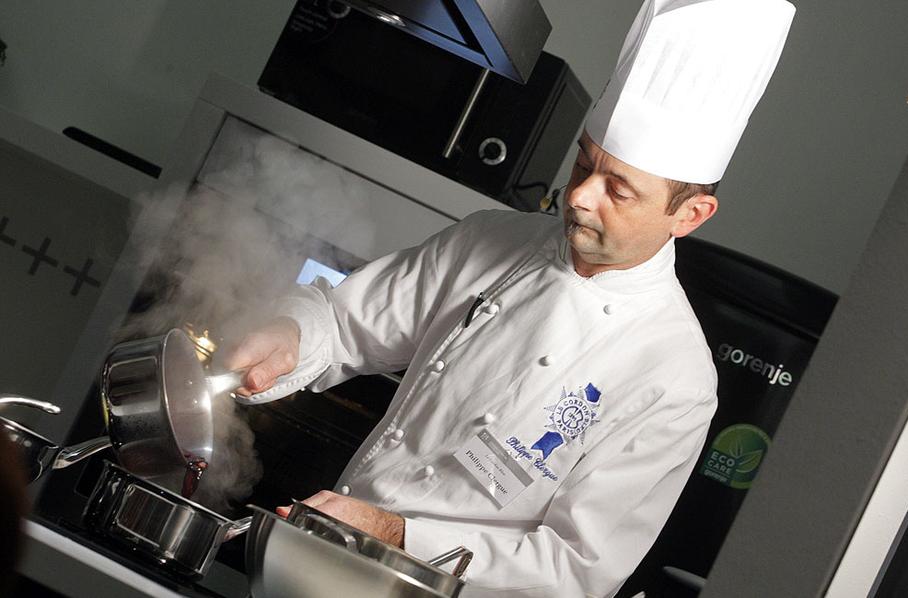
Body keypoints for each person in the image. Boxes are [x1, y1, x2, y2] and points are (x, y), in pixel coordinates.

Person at [228, 0, 796, 595]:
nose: (579, 196)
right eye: (583, 165)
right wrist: (290, 335)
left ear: (690, 215)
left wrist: (396, 534)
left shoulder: (675, 379)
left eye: (618, 190)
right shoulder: (493, 239)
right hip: (318, 564)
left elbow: (575, 570)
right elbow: (345, 324)